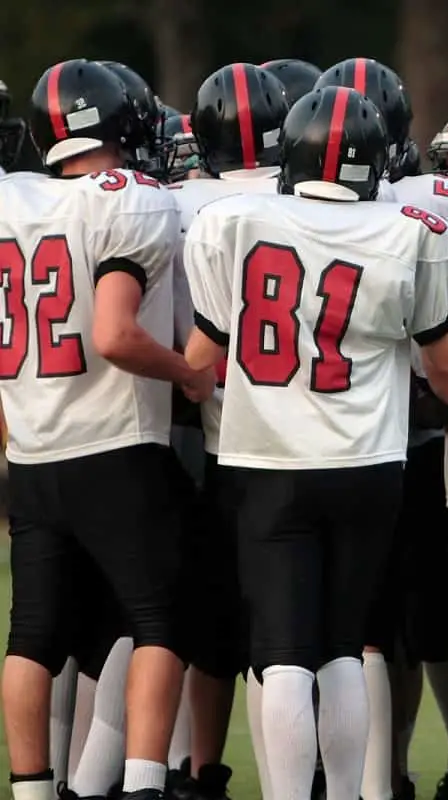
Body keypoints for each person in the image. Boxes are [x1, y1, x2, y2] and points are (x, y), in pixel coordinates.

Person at [181, 85, 448, 800]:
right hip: (367, 463)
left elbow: (200, 361)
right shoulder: (413, 229)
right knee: (345, 646)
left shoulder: (233, 221)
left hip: (267, 460)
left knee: (281, 655)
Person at [2, 58, 211, 800]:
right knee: (165, 619)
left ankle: (31, 789)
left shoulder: (12, 201)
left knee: (33, 635)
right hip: (115, 445)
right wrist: (187, 373)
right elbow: (117, 334)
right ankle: (147, 782)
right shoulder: (126, 199)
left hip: (32, 453)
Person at [168, 61, 291, 800]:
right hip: (308, 438)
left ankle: (199, 770)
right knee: (298, 640)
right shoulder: (308, 201)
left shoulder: (174, 202)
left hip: (197, 429)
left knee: (203, 633)